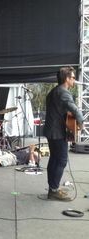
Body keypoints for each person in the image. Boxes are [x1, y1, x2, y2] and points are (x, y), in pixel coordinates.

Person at [44, 67, 84, 201]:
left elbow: (58, 109)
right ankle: (53, 190)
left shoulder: (53, 92)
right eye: (73, 77)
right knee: (61, 160)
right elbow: (74, 109)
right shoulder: (64, 92)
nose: (74, 80)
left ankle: (52, 188)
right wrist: (81, 122)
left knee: (54, 159)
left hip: (51, 131)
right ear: (67, 79)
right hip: (57, 132)